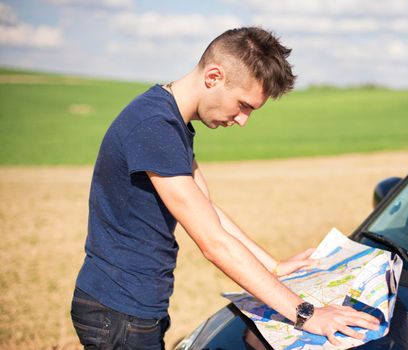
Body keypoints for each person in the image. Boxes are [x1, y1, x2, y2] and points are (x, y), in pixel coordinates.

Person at [71, 26, 380, 349]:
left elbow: (208, 208)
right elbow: (213, 242)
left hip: (134, 306)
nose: (243, 120)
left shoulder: (171, 121)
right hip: (119, 311)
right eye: (243, 105)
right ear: (214, 76)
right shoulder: (154, 127)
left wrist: (272, 265)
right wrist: (306, 314)